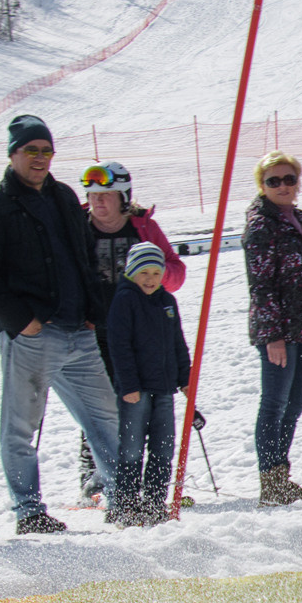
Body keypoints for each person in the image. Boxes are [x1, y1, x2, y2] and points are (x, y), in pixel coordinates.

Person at [0, 113, 122, 535]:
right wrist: (22, 322)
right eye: (30, 150)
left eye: (46, 151)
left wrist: (93, 312)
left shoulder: (63, 197)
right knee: (21, 425)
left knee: (106, 417)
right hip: (33, 335)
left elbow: (83, 257)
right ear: (13, 154)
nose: (39, 158)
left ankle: (124, 500)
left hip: (79, 330)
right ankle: (29, 511)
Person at [79, 159, 182, 505]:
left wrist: (153, 276)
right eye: (92, 195)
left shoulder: (143, 227)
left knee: (141, 409)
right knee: (100, 407)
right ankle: (96, 477)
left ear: (123, 195)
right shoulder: (78, 227)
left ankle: (149, 490)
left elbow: (176, 272)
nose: (98, 202)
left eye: (106, 195)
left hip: (142, 334)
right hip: (92, 332)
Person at [244, 150, 302, 505]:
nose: (283, 186)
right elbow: (261, 284)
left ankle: (282, 475)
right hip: (277, 329)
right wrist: (273, 335)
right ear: (262, 186)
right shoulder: (260, 225)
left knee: (295, 403)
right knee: (275, 403)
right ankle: (270, 480)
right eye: (273, 181)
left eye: (289, 179)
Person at [105, 242, 190, 526]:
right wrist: (128, 385)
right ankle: (125, 504)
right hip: (136, 390)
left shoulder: (168, 302)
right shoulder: (125, 301)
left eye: (156, 272)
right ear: (131, 272)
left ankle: (154, 503)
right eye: (144, 273)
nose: (150, 279)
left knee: (163, 447)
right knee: (131, 449)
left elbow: (178, 343)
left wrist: (185, 378)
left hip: (164, 388)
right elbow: (119, 346)